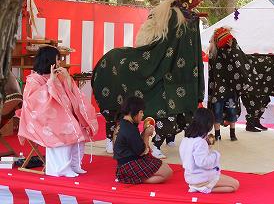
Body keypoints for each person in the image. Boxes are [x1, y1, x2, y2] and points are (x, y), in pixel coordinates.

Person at [16, 46, 98, 177]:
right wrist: (51, 82)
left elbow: (72, 93)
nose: (59, 62)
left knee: (80, 128)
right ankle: (60, 169)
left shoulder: (59, 75)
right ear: (49, 60)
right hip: (42, 118)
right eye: (58, 59)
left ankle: (74, 165)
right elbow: (33, 102)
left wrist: (66, 78)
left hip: (61, 114)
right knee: (67, 130)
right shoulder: (34, 79)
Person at [113, 96, 173, 184]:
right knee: (167, 173)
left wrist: (144, 133)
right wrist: (146, 135)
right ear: (132, 112)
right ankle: (129, 178)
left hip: (125, 162)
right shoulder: (129, 128)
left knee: (164, 167)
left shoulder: (123, 123)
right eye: (141, 112)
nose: (142, 115)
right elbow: (142, 152)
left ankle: (129, 176)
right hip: (128, 164)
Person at [179, 108, 239, 193]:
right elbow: (203, 163)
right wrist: (215, 155)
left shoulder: (186, 139)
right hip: (202, 178)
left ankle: (199, 187)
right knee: (235, 185)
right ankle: (203, 188)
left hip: (190, 177)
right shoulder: (200, 142)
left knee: (231, 184)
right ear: (208, 123)